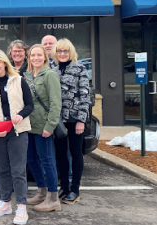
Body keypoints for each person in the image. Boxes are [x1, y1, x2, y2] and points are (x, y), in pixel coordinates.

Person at [0, 49, 34, 225]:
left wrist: (20, 114)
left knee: (18, 170)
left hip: (17, 130)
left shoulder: (18, 80)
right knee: (2, 168)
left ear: (5, 63)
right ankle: (5, 202)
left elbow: (29, 105)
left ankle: (21, 206)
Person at [53, 38, 91, 205]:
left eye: (65, 51)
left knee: (76, 153)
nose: (62, 54)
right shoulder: (52, 70)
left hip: (75, 118)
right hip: (58, 119)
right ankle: (65, 187)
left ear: (71, 52)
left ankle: (75, 189)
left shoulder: (80, 69)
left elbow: (85, 96)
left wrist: (81, 120)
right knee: (60, 154)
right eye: (60, 51)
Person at [24, 45, 62, 212]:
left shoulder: (50, 75)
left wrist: (50, 125)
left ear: (45, 57)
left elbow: (56, 103)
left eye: (39, 55)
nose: (36, 58)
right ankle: (41, 192)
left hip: (43, 126)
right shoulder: (27, 76)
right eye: (33, 55)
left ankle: (53, 198)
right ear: (29, 57)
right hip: (29, 125)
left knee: (47, 161)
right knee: (31, 159)